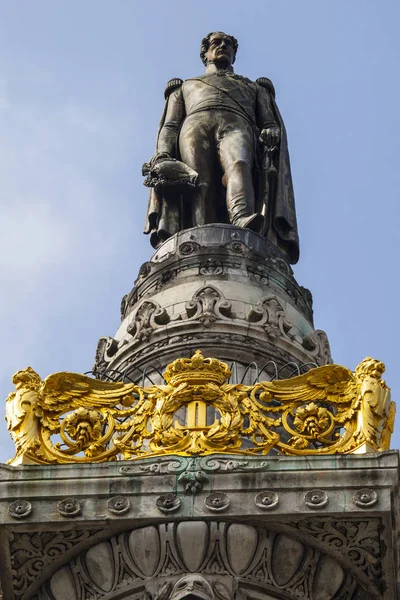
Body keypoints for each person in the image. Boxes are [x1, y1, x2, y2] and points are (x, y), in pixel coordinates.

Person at [144, 32, 299, 264]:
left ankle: (241, 216)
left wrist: (270, 131)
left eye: (228, 44)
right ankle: (200, 233)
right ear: (205, 53)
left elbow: (268, 123)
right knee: (200, 181)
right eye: (217, 43)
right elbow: (170, 125)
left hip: (237, 123)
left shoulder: (254, 87)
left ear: (234, 54)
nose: (223, 46)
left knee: (239, 164)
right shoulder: (185, 86)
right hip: (195, 125)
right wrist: (164, 153)